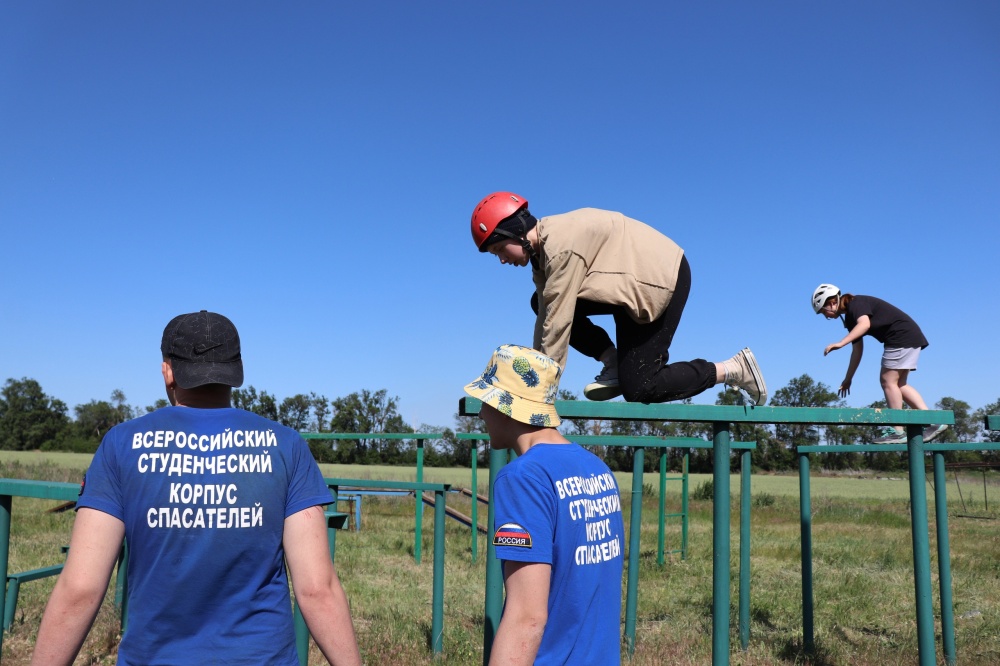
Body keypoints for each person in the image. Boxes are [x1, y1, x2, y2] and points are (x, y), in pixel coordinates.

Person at [31, 311, 362, 666]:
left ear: (168, 371)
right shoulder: (286, 446)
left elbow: (80, 589)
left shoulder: (121, 445)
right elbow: (317, 590)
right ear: (237, 370)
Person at [470, 191, 767, 406]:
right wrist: (534, 374)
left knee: (640, 388)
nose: (501, 261)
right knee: (540, 303)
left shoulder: (561, 246)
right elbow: (547, 316)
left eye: (498, 251)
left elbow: (558, 325)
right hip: (627, 285)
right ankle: (612, 361)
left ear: (513, 231)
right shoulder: (541, 255)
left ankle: (733, 369)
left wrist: (539, 396)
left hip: (663, 278)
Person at [464, 344, 625, 665]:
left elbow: (527, 618)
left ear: (504, 404)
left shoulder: (523, 478)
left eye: (486, 400)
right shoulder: (596, 467)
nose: (481, 413)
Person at [813, 284, 948, 444]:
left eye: (823, 312)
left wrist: (840, 343)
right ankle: (933, 422)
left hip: (900, 336)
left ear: (832, 303)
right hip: (908, 335)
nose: (826, 317)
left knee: (887, 381)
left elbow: (865, 325)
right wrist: (848, 379)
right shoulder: (850, 318)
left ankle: (897, 430)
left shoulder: (856, 303)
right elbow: (857, 351)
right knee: (899, 384)